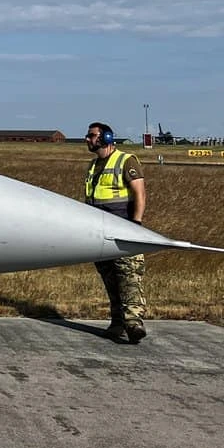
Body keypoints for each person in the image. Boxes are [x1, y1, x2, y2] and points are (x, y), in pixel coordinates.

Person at [83, 121, 149, 343]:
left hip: (123, 229)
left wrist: (136, 224)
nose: (87, 139)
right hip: (100, 232)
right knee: (110, 279)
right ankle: (118, 323)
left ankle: (134, 324)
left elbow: (139, 193)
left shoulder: (125, 160)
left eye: (92, 135)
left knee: (129, 277)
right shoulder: (93, 165)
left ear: (106, 138)